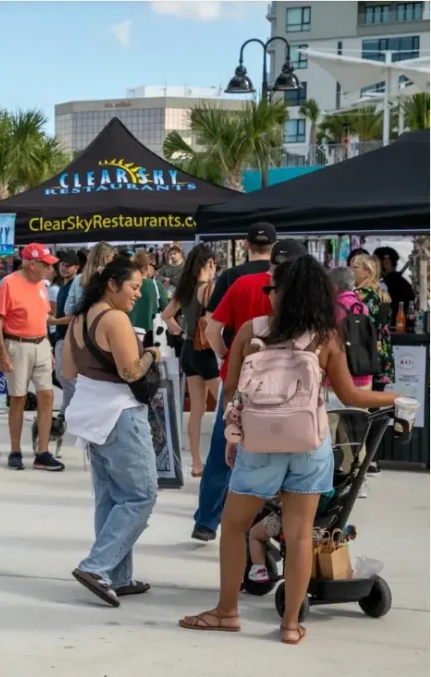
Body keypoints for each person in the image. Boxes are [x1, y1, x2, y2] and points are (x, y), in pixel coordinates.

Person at [179, 255, 399, 645]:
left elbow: (232, 392)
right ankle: (291, 625)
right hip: (308, 442)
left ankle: (226, 612)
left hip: (260, 444)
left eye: (271, 288)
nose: (268, 293)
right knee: (299, 536)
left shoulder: (251, 331)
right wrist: (396, 398)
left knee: (233, 526)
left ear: (282, 293)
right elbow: (351, 395)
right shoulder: (326, 337)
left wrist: (238, 430)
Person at [62, 257, 160, 606]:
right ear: (112, 285)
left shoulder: (78, 319)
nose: (138, 294)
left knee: (111, 498)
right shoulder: (115, 319)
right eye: (134, 286)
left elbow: (68, 370)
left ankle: (118, 576)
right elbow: (131, 372)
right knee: (140, 495)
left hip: (90, 412)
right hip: (120, 412)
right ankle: (97, 567)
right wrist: (151, 354)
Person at [190, 222, 279, 542]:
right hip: (279, 378)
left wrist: (226, 354)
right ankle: (259, 521)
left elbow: (211, 325)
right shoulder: (290, 284)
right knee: (270, 449)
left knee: (222, 445)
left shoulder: (235, 279)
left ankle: (206, 520)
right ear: (274, 246)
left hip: (238, 374)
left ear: (245, 245)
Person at [0, 243, 64, 472]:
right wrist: (2, 353)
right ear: (32, 264)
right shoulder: (9, 283)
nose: (50, 269)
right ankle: (15, 450)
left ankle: (43, 452)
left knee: (47, 395)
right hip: (17, 345)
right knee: (18, 398)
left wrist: (48, 349)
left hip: (40, 344)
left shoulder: (41, 285)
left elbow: (43, 318)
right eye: (46, 265)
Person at [161, 245, 219, 478]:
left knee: (197, 409)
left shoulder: (184, 289)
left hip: (188, 350)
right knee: (227, 404)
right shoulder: (209, 290)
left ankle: (196, 463)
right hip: (206, 353)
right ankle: (223, 458)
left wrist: (181, 331)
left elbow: (166, 315)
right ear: (210, 264)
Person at [351, 252, 394, 394]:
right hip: (382, 353)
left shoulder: (358, 295)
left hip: (363, 355)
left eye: (355, 267)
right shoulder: (382, 293)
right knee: (376, 400)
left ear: (367, 272)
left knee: (359, 401)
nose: (350, 271)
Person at [329, 266, 373, 389]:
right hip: (363, 373)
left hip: (339, 378)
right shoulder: (362, 306)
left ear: (334, 287)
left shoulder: (334, 307)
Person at [50, 250, 81, 419]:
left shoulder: (76, 285)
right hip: (61, 336)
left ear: (77, 267)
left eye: (68, 266)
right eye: (62, 265)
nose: (64, 268)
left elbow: (74, 316)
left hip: (69, 337)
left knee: (66, 376)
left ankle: (71, 410)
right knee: (63, 376)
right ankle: (66, 410)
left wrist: (52, 322)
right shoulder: (62, 287)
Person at [65, 242, 116, 317]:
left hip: (82, 321)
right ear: (106, 257)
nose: (113, 261)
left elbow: (68, 311)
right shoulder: (111, 279)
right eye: (112, 257)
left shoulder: (78, 279)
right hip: (105, 320)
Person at [128, 251, 168, 346]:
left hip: (128, 333)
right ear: (147, 266)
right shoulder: (155, 285)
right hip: (150, 336)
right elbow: (166, 310)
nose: (155, 269)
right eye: (154, 266)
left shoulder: (126, 284)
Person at [373, 246, 415, 317]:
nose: (373, 268)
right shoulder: (403, 283)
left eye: (375, 264)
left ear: (386, 262)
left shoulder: (385, 285)